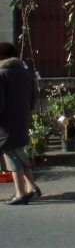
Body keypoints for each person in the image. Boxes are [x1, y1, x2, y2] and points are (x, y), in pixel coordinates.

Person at [0, 42, 41, 205]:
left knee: (11, 156)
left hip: (6, 122)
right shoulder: (25, 72)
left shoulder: (2, 74)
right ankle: (32, 187)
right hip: (22, 119)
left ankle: (20, 193)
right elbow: (32, 99)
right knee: (20, 154)